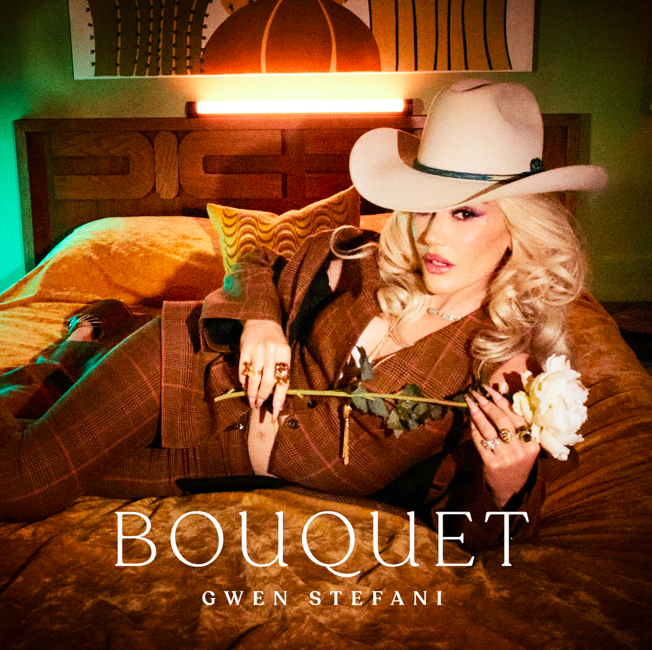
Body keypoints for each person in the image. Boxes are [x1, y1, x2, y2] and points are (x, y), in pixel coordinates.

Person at [0, 80, 606, 551]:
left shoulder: (507, 370)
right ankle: (95, 342)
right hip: (182, 372)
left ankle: (83, 343)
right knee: (22, 486)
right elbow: (256, 262)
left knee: (52, 457)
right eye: (426, 206)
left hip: (214, 461)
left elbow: (471, 537)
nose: (430, 234)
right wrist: (260, 321)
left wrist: (505, 487)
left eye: (464, 213)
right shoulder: (359, 261)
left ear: (517, 227)